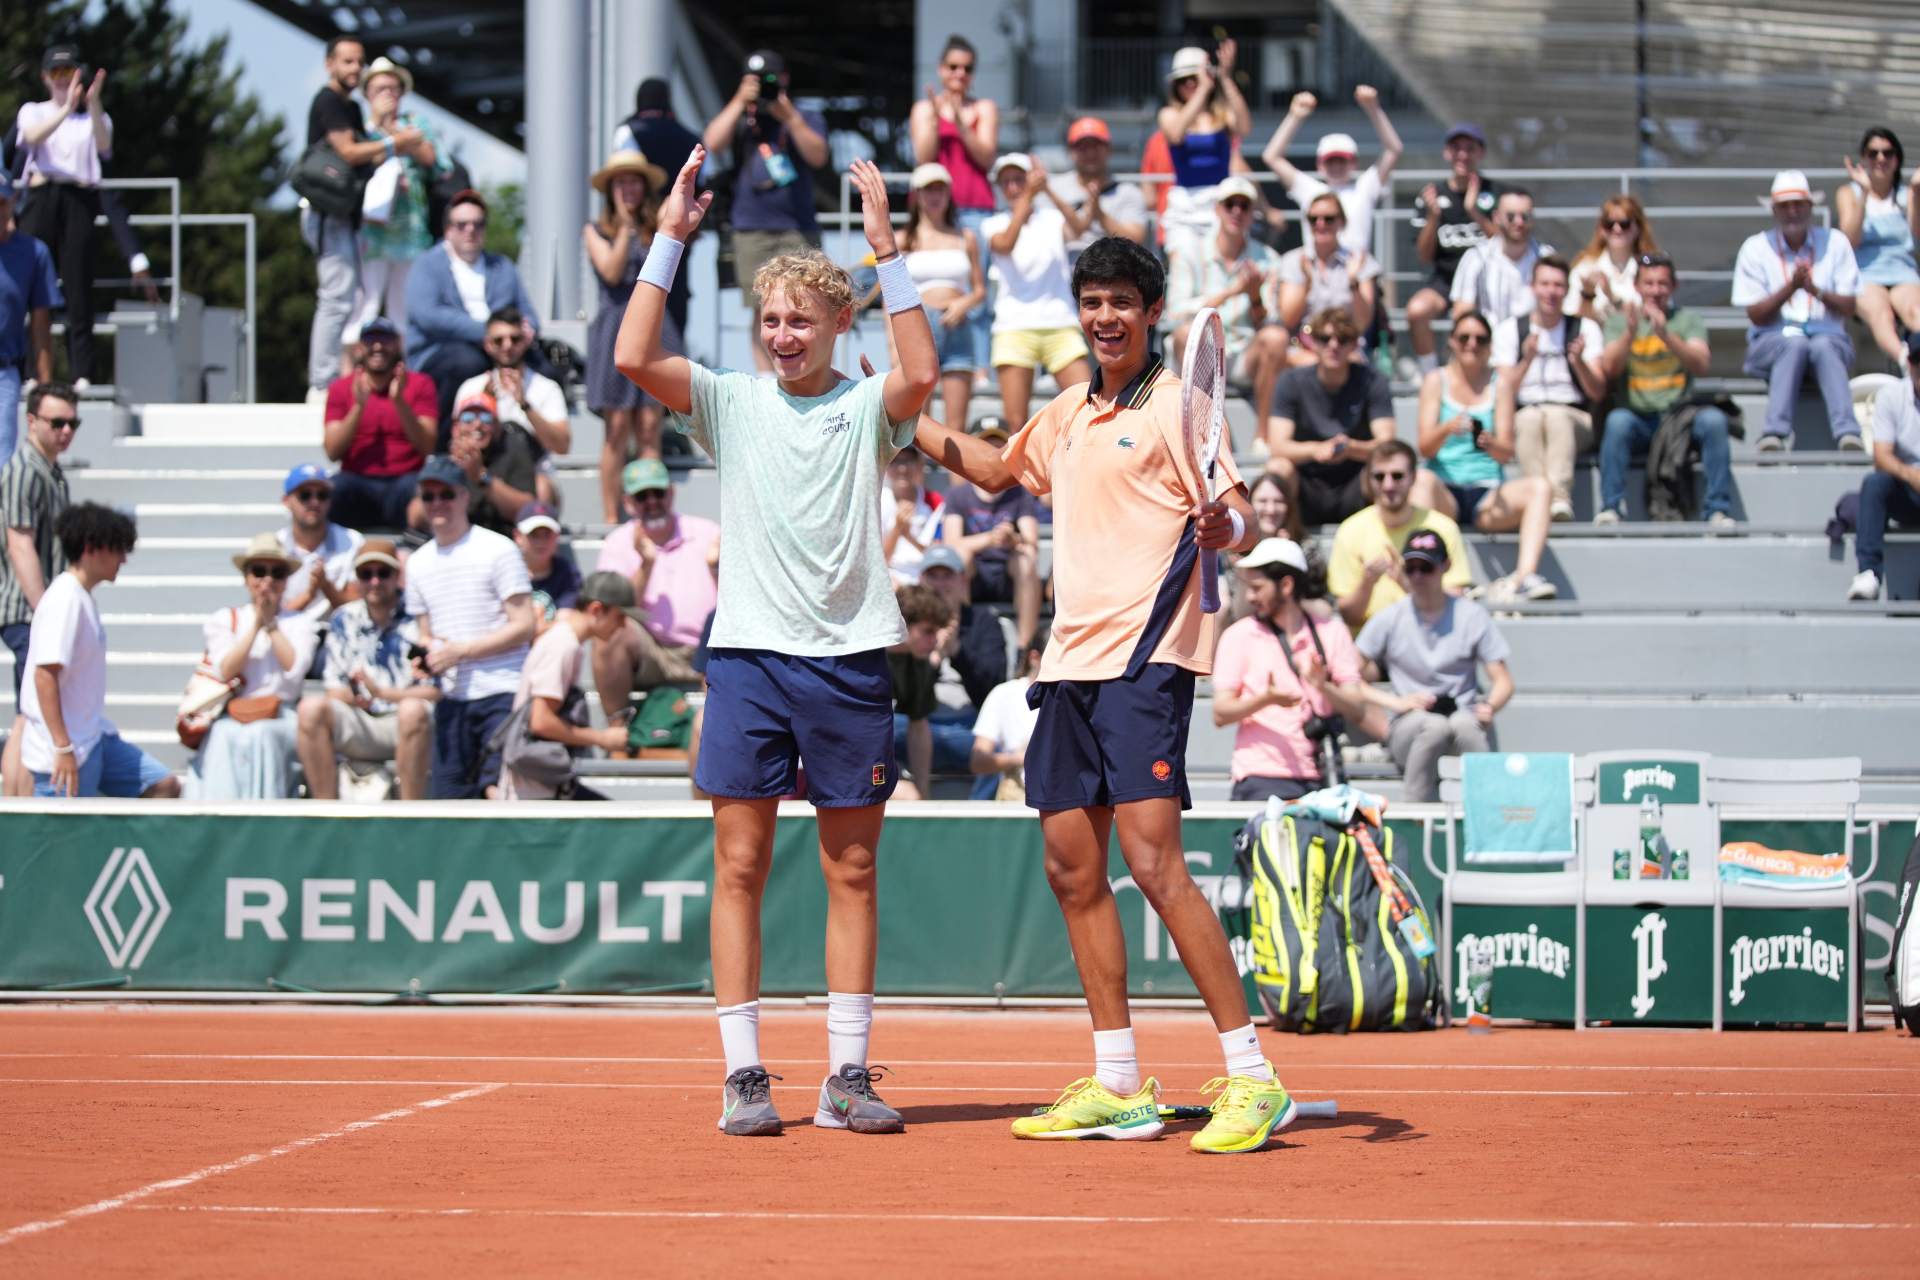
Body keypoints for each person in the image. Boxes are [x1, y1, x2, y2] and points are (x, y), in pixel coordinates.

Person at [910, 234, 1294, 1155]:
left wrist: (1224, 522)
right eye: (1092, 303)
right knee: (1072, 869)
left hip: (1146, 661)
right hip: (1068, 667)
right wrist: (894, 418)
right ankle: (1120, 1083)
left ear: (1150, 310)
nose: (1104, 318)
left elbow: (1236, 517)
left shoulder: (1177, 406)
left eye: (1121, 301)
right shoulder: (1071, 412)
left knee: (1156, 865)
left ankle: (1254, 1076)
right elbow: (996, 467)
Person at [615, 150, 937, 1136]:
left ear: (841, 323)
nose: (784, 334)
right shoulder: (730, 400)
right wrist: (671, 232)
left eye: (802, 319)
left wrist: (887, 249)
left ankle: (846, 1076)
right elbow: (632, 356)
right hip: (749, 657)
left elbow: (921, 370)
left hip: (847, 663)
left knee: (852, 871)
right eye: (771, 321)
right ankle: (743, 1074)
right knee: (740, 865)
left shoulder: (866, 404)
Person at [19, 503, 176, 798]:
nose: (123, 560)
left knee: (162, 785)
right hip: (62, 753)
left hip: (91, 739)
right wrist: (62, 746)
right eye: (118, 549)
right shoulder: (65, 600)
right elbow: (44, 675)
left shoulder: (81, 597)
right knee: (64, 841)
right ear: (93, 548)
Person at [404, 454, 536, 800]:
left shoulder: (498, 549)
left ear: (464, 495)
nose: (437, 504)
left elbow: (524, 624)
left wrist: (459, 651)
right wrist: (425, 656)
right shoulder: (417, 563)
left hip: (502, 691)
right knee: (449, 805)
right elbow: (425, 634)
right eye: (429, 496)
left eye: (445, 494)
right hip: (452, 698)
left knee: (500, 794)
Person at [1355, 529, 1514, 802]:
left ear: (1446, 566)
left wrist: (1490, 706)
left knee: (1465, 726)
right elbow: (1348, 677)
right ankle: (1414, 815)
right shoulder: (1391, 617)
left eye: (1426, 568)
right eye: (1411, 568)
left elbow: (1504, 681)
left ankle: (1488, 809)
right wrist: (1396, 703)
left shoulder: (1471, 615)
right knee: (1434, 727)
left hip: (1460, 718)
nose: (1417, 576)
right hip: (1409, 725)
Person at [1213, 538, 1374, 803]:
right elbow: (1220, 713)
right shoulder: (1239, 636)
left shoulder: (1331, 631)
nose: (1251, 597)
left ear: (1286, 585)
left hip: (1323, 777)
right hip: (1261, 776)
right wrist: (1266, 699)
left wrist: (1323, 686)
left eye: (1257, 588)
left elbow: (1357, 708)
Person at [702, 51, 829, 375]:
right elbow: (711, 142)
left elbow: (818, 156)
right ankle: (766, 380)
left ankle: (808, 376)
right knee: (762, 309)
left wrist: (790, 118)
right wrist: (738, 102)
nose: (764, 87)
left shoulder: (803, 114)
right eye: (757, 81)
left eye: (769, 80)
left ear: (784, 78)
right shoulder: (744, 119)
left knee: (807, 302)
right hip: (751, 228)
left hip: (797, 226)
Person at [1418, 312, 1557, 600]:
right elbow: (1424, 447)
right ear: (1452, 342)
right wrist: (1447, 427)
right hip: (1445, 493)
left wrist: (1489, 442)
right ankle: (1434, 574)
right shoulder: (1436, 380)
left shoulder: (1500, 384)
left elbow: (1506, 453)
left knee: (1541, 487)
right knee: (1420, 479)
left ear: (1490, 346)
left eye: (1480, 339)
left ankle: (1525, 575)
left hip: (1487, 493)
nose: (1472, 344)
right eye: (1464, 338)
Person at [304, 36, 412, 398]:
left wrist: (384, 131)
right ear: (329, 64)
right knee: (336, 299)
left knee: (346, 298)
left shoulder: (348, 108)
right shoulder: (329, 101)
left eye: (358, 62)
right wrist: (393, 143)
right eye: (347, 62)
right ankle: (321, 385)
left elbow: (370, 155)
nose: (354, 69)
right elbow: (350, 152)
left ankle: (327, 380)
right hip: (327, 215)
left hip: (345, 216)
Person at [1597, 255, 1735, 528]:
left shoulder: (1688, 320)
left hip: (1679, 418)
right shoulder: (1618, 322)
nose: (1655, 290)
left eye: (1662, 284)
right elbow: (1610, 370)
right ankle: (1610, 507)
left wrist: (1666, 336)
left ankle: (1717, 510)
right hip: (1638, 417)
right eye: (1649, 283)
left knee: (1714, 422)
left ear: (1674, 286)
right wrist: (1629, 334)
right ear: (1636, 286)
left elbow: (1701, 364)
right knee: (1616, 423)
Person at [295, 538, 436, 800]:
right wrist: (363, 696)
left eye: (383, 573)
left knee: (413, 711)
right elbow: (334, 690)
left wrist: (382, 693)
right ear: (356, 579)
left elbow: (435, 692)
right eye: (365, 573)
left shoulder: (421, 617)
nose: (374, 581)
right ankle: (324, 814)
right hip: (358, 721)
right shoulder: (343, 619)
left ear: (397, 576)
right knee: (310, 709)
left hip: (406, 724)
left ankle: (411, 815)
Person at [1733, 170, 1863, 451]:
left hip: (1828, 341)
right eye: (1784, 205)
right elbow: (1756, 315)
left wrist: (1814, 290)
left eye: (1798, 204)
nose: (1792, 211)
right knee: (1794, 344)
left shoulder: (1836, 242)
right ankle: (1774, 433)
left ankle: (1848, 434)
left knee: (1822, 345)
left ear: (1810, 207)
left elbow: (1850, 306)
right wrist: (1791, 288)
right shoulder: (1755, 248)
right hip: (1771, 344)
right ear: (1774, 210)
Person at [183, 533, 319, 801]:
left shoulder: (301, 622)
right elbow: (226, 670)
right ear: (246, 578)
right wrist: (256, 625)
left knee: (261, 737)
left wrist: (271, 626)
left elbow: (295, 670)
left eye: (277, 573)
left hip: (282, 715)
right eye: (259, 571)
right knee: (222, 736)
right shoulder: (224, 619)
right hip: (233, 715)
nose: (267, 580)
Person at [13, 45, 112, 386]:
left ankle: (82, 372)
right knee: (32, 284)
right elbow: (28, 138)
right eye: (55, 73)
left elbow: (103, 145)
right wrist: (65, 109)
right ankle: (29, 371)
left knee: (78, 284)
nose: (61, 79)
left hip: (79, 200)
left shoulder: (91, 117)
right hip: (41, 198)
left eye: (67, 72)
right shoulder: (34, 110)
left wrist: (92, 102)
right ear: (44, 77)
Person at [405, 189, 543, 429]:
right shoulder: (427, 265)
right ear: (448, 229)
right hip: (440, 351)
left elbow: (528, 314)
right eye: (462, 225)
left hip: (501, 347)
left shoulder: (502, 267)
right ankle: (444, 443)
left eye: (478, 224)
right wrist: (487, 332)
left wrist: (526, 330)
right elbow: (427, 315)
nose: (471, 230)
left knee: (545, 368)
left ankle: (531, 444)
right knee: (467, 363)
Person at [591, 458, 717, 717]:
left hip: (707, 646)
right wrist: (646, 566)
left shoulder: (709, 533)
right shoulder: (617, 542)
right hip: (652, 653)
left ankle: (716, 732)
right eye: (641, 496)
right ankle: (617, 732)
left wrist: (716, 569)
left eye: (657, 493)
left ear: (671, 493)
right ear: (628, 502)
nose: (651, 502)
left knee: (722, 628)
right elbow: (613, 614)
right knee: (608, 633)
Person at [584, 151, 673, 521]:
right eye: (621, 182)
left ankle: (650, 511)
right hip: (614, 328)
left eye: (634, 181)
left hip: (654, 324)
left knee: (650, 426)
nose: (629, 189)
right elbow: (611, 271)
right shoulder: (595, 230)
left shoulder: (659, 227)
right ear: (611, 190)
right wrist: (624, 228)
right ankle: (610, 515)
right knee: (617, 427)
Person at [1165, 176, 1289, 432]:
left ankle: (1263, 437)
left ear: (1252, 214)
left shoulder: (1269, 259)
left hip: (1243, 355)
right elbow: (1175, 315)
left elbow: (1270, 323)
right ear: (1217, 208)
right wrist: (1232, 292)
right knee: (1188, 334)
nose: (1237, 211)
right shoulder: (1188, 251)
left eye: (1244, 205)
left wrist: (1254, 297)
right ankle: (1209, 428)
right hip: (1201, 352)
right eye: (1230, 203)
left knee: (1275, 338)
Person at [499, 573, 637, 801]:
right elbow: (541, 721)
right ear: (596, 610)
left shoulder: (566, 639)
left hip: (539, 788)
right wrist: (602, 739)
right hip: (532, 795)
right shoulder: (564, 645)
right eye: (619, 616)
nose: (623, 625)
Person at [2, 382, 77, 795]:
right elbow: (19, 543)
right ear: (31, 421)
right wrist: (46, 610)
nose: (66, 431)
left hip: (37, 609)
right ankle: (13, 810)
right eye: (58, 422)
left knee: (27, 713)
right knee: (27, 716)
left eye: (73, 423)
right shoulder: (24, 469)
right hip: (27, 610)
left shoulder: (48, 469)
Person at [983, 154, 1093, 432]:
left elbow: (1080, 228)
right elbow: (1005, 244)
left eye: (1018, 179)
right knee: (1017, 424)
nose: (1013, 187)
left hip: (1058, 322)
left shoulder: (1052, 217)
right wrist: (1030, 197)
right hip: (1014, 326)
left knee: (1088, 407)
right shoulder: (992, 224)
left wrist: (1048, 190)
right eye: (1006, 181)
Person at [909, 35, 998, 373]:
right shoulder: (924, 109)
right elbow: (924, 157)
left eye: (967, 68)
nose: (960, 74)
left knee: (977, 293)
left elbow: (986, 157)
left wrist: (960, 121)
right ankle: (930, 364)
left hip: (975, 209)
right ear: (941, 70)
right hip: (934, 213)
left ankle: (979, 369)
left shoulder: (983, 108)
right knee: (930, 292)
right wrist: (935, 118)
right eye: (953, 67)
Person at [1493, 257, 1606, 521]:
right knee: (1532, 419)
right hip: (1526, 412)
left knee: (1555, 416)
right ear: (1532, 287)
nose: (1551, 292)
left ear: (1566, 290)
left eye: (1557, 285)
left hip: (1573, 414)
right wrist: (1527, 360)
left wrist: (1578, 363)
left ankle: (1558, 498)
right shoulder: (1510, 329)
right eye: (1545, 284)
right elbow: (1504, 390)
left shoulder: (1584, 328)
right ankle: (1537, 497)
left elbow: (1597, 391)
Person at [1265, 308, 1400, 529]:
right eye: (1325, 338)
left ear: (1355, 344)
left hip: (1356, 482)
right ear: (1313, 342)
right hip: (1306, 482)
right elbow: (1277, 447)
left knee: (1388, 469)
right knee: (1278, 468)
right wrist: (1316, 450)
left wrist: (1350, 448)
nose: (1334, 345)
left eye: (1343, 339)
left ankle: (1385, 541)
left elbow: (1387, 446)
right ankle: (1273, 550)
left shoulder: (1374, 381)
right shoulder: (1290, 382)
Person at [347, 57, 446, 343]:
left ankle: (402, 377)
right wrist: (389, 137)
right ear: (368, 94)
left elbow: (434, 161)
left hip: (411, 232)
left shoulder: (415, 124)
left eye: (393, 88)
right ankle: (351, 379)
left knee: (404, 311)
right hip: (370, 233)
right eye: (380, 89)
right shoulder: (360, 127)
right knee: (363, 306)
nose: (388, 95)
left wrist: (395, 133)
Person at [1328, 440, 1473, 629]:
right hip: (1370, 647)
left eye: (1397, 476)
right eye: (1379, 477)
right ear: (1368, 480)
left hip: (1430, 641)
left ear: (1413, 478)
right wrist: (1367, 581)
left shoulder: (1443, 528)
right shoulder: (1350, 530)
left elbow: (1454, 605)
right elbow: (1349, 616)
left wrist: (1407, 583)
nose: (1388, 485)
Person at [322, 315, 437, 531]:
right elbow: (332, 451)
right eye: (370, 340)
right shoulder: (340, 388)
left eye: (384, 339)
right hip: (357, 481)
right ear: (358, 348)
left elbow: (427, 447)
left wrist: (400, 402)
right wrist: (358, 406)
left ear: (397, 344)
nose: (377, 346)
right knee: (330, 490)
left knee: (428, 491)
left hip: (405, 481)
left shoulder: (421, 384)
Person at [1259, 85, 1403, 257]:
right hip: (1315, 276)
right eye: (1330, 161)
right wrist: (1295, 116)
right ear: (1320, 165)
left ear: (1353, 163)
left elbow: (1394, 150)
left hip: (1357, 274)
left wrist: (1373, 108)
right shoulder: (1310, 190)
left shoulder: (1364, 188)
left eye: (1341, 161)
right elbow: (1271, 156)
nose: (1336, 167)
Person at [1405, 123, 1502, 376]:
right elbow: (1424, 256)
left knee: (1465, 313)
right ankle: (1430, 375)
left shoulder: (1496, 193)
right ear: (1447, 153)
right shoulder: (1430, 195)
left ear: (1480, 153)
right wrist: (1433, 217)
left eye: (1470, 148)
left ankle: (1478, 373)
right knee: (1417, 310)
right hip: (1445, 280)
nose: (1463, 155)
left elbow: (1506, 245)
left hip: (1488, 282)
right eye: (1456, 148)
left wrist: (1474, 212)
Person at [897, 162, 986, 435]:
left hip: (957, 324)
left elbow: (980, 289)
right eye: (928, 190)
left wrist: (963, 303)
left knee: (955, 426)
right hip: (918, 325)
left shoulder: (965, 237)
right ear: (917, 195)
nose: (934, 196)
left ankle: (955, 479)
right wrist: (894, 346)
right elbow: (893, 295)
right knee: (917, 423)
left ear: (948, 194)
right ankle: (917, 477)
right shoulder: (903, 239)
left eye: (940, 189)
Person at [940, 417, 1041, 650]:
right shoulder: (959, 495)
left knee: (1026, 559)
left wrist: (1011, 538)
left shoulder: (1020, 493)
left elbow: (1031, 542)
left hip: (1007, 572)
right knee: (959, 558)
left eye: (999, 446)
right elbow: (951, 545)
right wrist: (989, 539)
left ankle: (1024, 648)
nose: (993, 452)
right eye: (986, 446)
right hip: (973, 573)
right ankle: (963, 638)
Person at [612, 78, 701, 337]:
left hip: (640, 229)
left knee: (639, 294)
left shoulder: (627, 131)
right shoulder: (690, 137)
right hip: (680, 232)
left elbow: (623, 166)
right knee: (673, 300)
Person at [1156, 41, 1252, 255]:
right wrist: (1204, 89)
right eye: (1185, 80)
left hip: (1222, 202)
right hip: (1184, 204)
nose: (1191, 84)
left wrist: (1225, 78)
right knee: (1183, 267)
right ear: (1175, 85)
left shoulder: (1222, 114)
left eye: (1196, 79)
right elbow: (1176, 134)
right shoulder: (1169, 114)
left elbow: (1245, 127)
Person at [1837, 128, 1920, 367]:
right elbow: (1849, 239)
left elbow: (1916, 234)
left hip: (1903, 272)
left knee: (1916, 311)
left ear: (1897, 158)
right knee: (1881, 315)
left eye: (1888, 153)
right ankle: (1908, 363)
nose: (1881, 159)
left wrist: (1916, 192)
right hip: (1865, 273)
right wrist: (1864, 194)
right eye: (1873, 153)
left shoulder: (1906, 195)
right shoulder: (1849, 193)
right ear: (1864, 158)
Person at [1850, 340, 1920, 600]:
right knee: (1875, 483)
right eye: (1917, 361)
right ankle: (1868, 572)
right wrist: (1911, 475)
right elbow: (1881, 456)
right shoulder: (1892, 396)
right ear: (1909, 364)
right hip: (1909, 490)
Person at [455, 306, 570, 461]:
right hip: (483, 475)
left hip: (533, 475)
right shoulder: (471, 388)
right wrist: (485, 402)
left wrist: (525, 405)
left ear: (525, 341)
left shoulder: (547, 388)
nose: (507, 346)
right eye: (498, 340)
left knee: (543, 485)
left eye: (515, 339)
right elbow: (458, 443)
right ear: (487, 344)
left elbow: (562, 446)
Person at [0, 184, 59, 466]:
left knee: (2, 467)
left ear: (12, 201)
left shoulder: (33, 253)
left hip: (4, 373)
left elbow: (40, 326)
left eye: (0, 202)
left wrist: (46, 390)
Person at [1275, 191, 1380, 349]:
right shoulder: (1293, 261)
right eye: (1313, 219)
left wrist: (1353, 281)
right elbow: (1288, 319)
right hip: (1303, 349)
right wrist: (1306, 285)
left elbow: (1362, 323)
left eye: (1328, 219)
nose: (1320, 223)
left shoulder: (1360, 261)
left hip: (1345, 349)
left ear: (1342, 222)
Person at [1051, 117, 1149, 264]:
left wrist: (1099, 214)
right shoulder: (1054, 188)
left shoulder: (1129, 193)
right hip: (1062, 274)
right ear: (1071, 151)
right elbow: (1045, 237)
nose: (1090, 153)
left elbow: (1135, 241)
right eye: (1082, 147)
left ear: (1109, 149)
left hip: (1111, 273)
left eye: (1096, 146)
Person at [887, 582, 953, 801]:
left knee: (914, 798)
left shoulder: (918, 661)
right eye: (927, 631)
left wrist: (923, 791)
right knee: (906, 796)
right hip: (839, 759)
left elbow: (919, 727)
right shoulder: (862, 657)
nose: (934, 641)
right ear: (903, 624)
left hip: (873, 761)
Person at [443, 391, 540, 538]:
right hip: (455, 542)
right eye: (468, 418)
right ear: (455, 427)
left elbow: (527, 511)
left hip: (505, 539)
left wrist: (481, 476)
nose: (477, 424)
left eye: (486, 418)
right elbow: (416, 516)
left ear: (497, 426)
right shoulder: (444, 463)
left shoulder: (514, 452)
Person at [276, 463, 362, 625]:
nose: (314, 502)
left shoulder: (352, 542)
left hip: (338, 634)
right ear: (286, 501)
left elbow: (358, 611)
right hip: (287, 636)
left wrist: (326, 586)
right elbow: (272, 615)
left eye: (322, 495)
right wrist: (309, 594)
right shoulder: (275, 546)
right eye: (305, 495)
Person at [968, 625, 1046, 801]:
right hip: (1017, 799)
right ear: (1034, 657)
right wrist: (1018, 758)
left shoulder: (1078, 697)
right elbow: (978, 761)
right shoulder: (1004, 693)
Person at [1450, 188, 1547, 325]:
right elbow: (1462, 314)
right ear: (1496, 217)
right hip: (1490, 343)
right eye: (1511, 216)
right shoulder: (1476, 258)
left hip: (1535, 342)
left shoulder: (1546, 258)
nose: (1518, 222)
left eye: (1525, 216)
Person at [1567, 195, 1659, 325]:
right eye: (1609, 224)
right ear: (1601, 229)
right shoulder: (1585, 267)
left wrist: (1612, 297)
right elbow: (1572, 318)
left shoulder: (1651, 268)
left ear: (1638, 227)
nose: (1617, 229)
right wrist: (1587, 295)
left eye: (1624, 224)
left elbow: (1658, 317)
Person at [880, 447, 946, 584]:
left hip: (927, 574)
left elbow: (937, 557)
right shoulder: (878, 501)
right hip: (890, 574)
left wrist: (909, 536)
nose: (902, 468)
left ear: (919, 465)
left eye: (908, 461)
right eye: (895, 461)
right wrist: (897, 529)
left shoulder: (935, 502)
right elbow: (879, 561)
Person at [514, 501, 580, 626]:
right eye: (534, 534)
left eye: (547, 534)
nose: (541, 541)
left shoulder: (568, 573)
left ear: (557, 536)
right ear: (518, 536)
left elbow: (564, 623)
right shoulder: (507, 570)